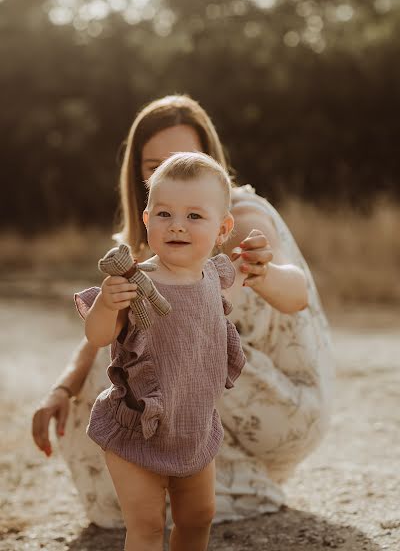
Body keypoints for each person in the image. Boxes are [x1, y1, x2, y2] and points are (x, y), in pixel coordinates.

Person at [32, 94, 333, 530]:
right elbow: (107, 331)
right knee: (120, 362)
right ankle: (152, 496)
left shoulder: (235, 217)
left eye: (184, 158)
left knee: (154, 362)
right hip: (202, 392)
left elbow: (293, 292)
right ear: (138, 173)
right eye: (154, 165)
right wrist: (61, 389)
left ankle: (204, 483)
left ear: (209, 160)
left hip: (276, 401)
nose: (171, 172)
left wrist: (262, 270)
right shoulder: (163, 229)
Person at [76, 151, 249, 551]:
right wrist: (106, 303)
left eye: (194, 216)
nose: (177, 226)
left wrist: (254, 260)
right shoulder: (136, 282)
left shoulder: (212, 274)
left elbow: (235, 281)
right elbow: (98, 336)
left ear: (222, 228)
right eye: (165, 214)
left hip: (193, 424)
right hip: (138, 427)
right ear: (146, 220)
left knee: (198, 517)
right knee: (148, 526)